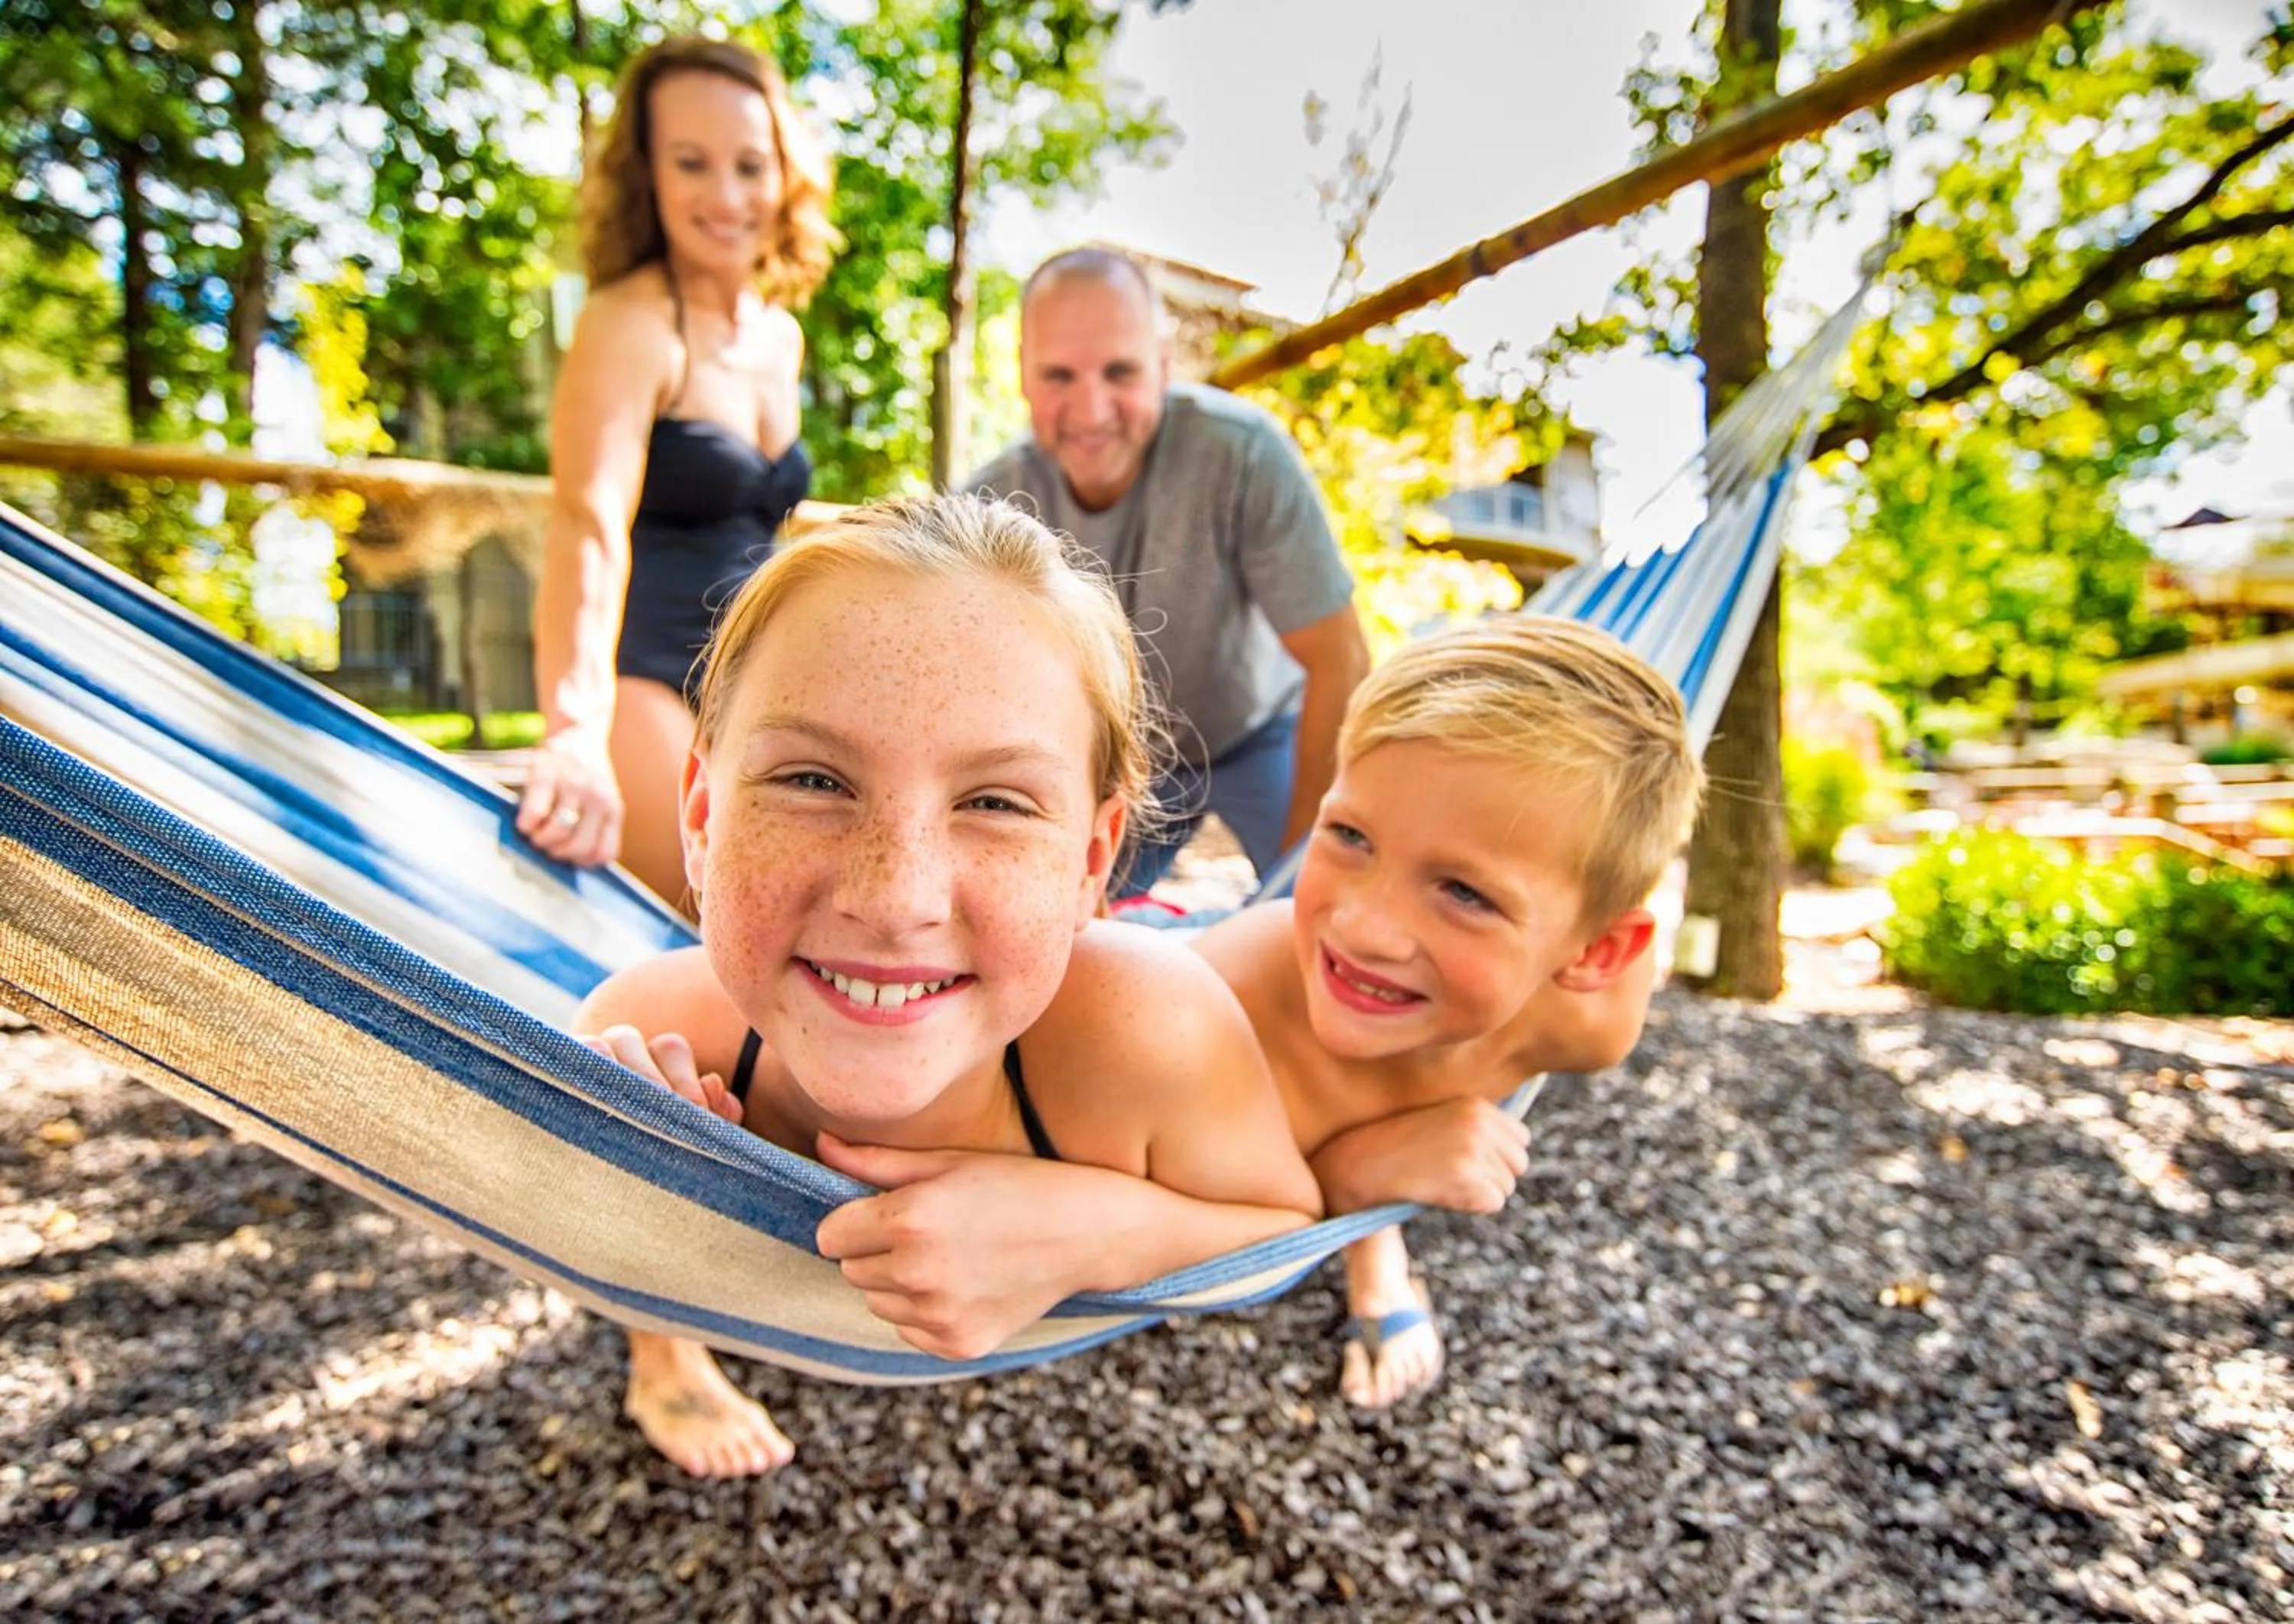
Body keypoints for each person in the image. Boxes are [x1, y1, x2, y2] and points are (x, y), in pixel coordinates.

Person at [575, 494, 1322, 1477]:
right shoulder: (652, 1024)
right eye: (812, 781)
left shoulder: (1148, 1028)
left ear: (1092, 862)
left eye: (996, 803)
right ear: (705, 815)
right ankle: (667, 1361)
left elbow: (1289, 1230)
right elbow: (548, 1211)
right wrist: (605, 1171)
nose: (894, 898)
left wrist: (1099, 1233)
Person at [827, 615, 1703, 1413]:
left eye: (1465, 892)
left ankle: (1375, 1251)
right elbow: (997, 1113)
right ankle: (677, 1349)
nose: (1361, 925)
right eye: (1350, 837)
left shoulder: (1592, 1022)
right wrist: (1352, 1178)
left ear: (1593, 955)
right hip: (1164, 983)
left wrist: (1362, 1187)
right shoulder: (1204, 1012)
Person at [518, 36, 835, 908]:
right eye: (691, 163)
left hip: (757, 684)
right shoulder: (630, 324)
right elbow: (587, 524)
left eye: (750, 164)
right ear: (648, 177)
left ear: (785, 176)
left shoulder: (781, 335)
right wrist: (575, 732)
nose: (727, 196)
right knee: (723, 913)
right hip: (646, 680)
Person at [963, 247, 1370, 898]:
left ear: (1162, 367)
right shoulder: (988, 504)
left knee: (1322, 897)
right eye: (1059, 376)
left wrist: (1294, 887)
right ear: (1022, 377)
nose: (1091, 410)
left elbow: (1341, 656)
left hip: (1260, 730)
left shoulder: (1243, 455)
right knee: (1063, 931)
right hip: (1120, 758)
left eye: (1120, 372)